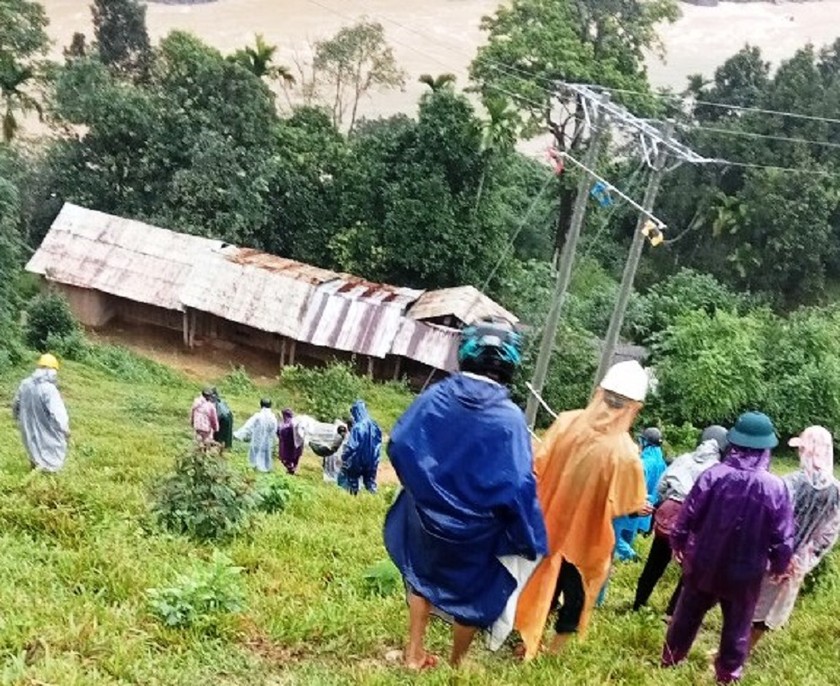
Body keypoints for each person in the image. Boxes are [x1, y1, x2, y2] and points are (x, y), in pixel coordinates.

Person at [384, 318, 548, 670]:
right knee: (473, 595)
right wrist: (528, 533)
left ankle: (414, 653)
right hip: (477, 531)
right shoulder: (509, 419)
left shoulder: (434, 396)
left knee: (419, 575)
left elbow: (399, 443)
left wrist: (422, 488)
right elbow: (520, 484)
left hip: (425, 517)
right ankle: (457, 664)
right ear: (511, 362)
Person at [514, 360, 652, 660]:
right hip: (586, 539)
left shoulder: (566, 423)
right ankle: (553, 650)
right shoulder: (625, 452)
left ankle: (525, 639)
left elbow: (537, 465)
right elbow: (628, 503)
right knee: (575, 594)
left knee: (540, 581)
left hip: (547, 526)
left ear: (600, 391)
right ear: (635, 407)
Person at [662, 411, 794, 684]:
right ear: (766, 448)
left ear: (734, 442)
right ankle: (727, 674)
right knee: (738, 625)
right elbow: (782, 536)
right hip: (746, 572)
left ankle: (670, 659)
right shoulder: (775, 487)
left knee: (687, 614)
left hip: (703, 563)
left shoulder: (713, 476)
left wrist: (678, 544)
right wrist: (780, 565)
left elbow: (687, 517)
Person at [751, 425, 840, 651]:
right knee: (768, 610)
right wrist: (805, 558)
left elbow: (770, 520)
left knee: (749, 606)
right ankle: (743, 651)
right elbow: (829, 533)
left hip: (769, 556)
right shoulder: (836, 491)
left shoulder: (788, 482)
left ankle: (730, 653)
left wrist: (773, 551)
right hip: (798, 561)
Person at [633, 425, 728, 615]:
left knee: (654, 563)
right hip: (695, 522)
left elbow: (661, 485)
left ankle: (638, 603)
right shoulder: (720, 470)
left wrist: (662, 503)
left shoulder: (683, 458)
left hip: (669, 515)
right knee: (687, 571)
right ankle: (672, 612)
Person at [613, 427, 668, 562]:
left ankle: (630, 556)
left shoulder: (642, 464)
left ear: (645, 442)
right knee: (629, 535)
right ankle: (626, 561)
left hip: (631, 506)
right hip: (646, 508)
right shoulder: (662, 463)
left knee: (614, 535)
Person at [13, 353, 71, 473]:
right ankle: (49, 477)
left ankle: (35, 469)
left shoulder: (25, 384)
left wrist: (17, 417)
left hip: (27, 424)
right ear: (52, 371)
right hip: (46, 427)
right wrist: (65, 430)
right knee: (52, 450)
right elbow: (58, 413)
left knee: (32, 446)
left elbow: (16, 403)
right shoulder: (49, 389)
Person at [338, 400, 382, 495]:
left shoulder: (358, 427)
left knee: (352, 480)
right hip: (373, 460)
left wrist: (343, 457)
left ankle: (353, 499)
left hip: (358, 459)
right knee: (370, 482)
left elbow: (352, 446)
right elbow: (379, 442)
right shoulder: (375, 425)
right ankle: (374, 500)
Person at [233, 398, 279, 472]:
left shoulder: (258, 416)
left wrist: (238, 435)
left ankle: (254, 468)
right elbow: (274, 430)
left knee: (255, 455)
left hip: (257, 440)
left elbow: (248, 427)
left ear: (261, 405)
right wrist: (273, 439)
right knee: (266, 455)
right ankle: (266, 469)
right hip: (268, 442)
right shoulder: (273, 418)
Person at [277, 408, 304, 475]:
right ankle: (292, 468)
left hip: (287, 447)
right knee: (295, 459)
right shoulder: (297, 423)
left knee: (286, 459)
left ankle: (290, 469)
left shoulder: (284, 425)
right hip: (297, 447)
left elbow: (280, 433)